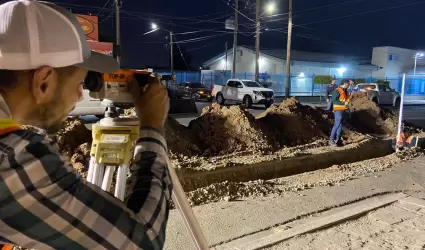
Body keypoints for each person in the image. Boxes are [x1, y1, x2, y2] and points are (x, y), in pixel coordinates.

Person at [0, 1, 172, 250]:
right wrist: (152, 127)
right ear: (44, 82)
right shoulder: (14, 160)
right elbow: (141, 242)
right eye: (80, 83)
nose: (81, 96)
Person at [329, 80, 351, 147]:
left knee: (340, 125)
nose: (349, 86)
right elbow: (334, 100)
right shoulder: (337, 91)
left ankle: (338, 140)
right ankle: (331, 140)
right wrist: (343, 103)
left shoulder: (345, 91)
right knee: (337, 124)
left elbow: (346, 100)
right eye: (348, 84)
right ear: (345, 84)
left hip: (343, 109)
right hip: (338, 110)